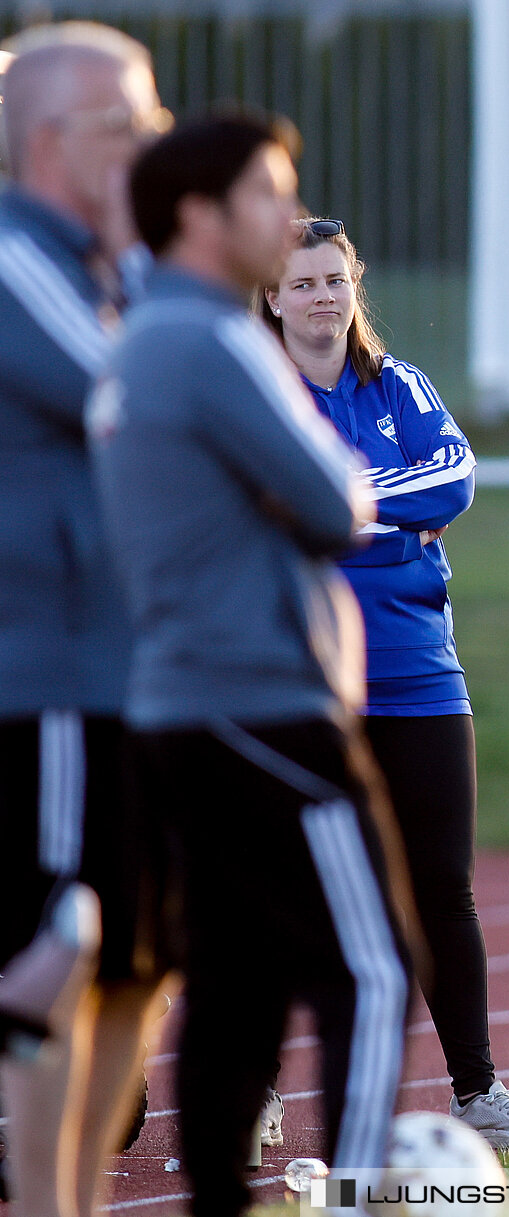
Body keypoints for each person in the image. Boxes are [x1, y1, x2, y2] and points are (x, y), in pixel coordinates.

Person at [89, 111, 411, 1217]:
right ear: (197, 215)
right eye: (268, 193)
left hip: (188, 699)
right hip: (261, 696)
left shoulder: (141, 334)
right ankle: (368, 1192)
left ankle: (223, 1199)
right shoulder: (217, 342)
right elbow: (336, 502)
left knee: (235, 976)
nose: (288, 215)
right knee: (369, 966)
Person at [257, 217, 509, 1148]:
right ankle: (256, 1093)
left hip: (417, 673)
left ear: (357, 287)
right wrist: (384, 505)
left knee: (443, 888)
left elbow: (452, 480)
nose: (321, 297)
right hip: (294, 678)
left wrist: (330, 500)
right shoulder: (251, 392)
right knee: (278, 889)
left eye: (334, 279)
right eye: (301, 283)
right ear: (270, 298)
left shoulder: (404, 387)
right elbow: (251, 503)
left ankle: (479, 1090)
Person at [0, 23, 172, 1217]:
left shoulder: (120, 264)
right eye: (132, 122)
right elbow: (146, 399)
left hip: (136, 664)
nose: (156, 142)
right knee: (53, 949)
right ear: (56, 141)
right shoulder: (15, 259)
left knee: (135, 962)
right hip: (50, 666)